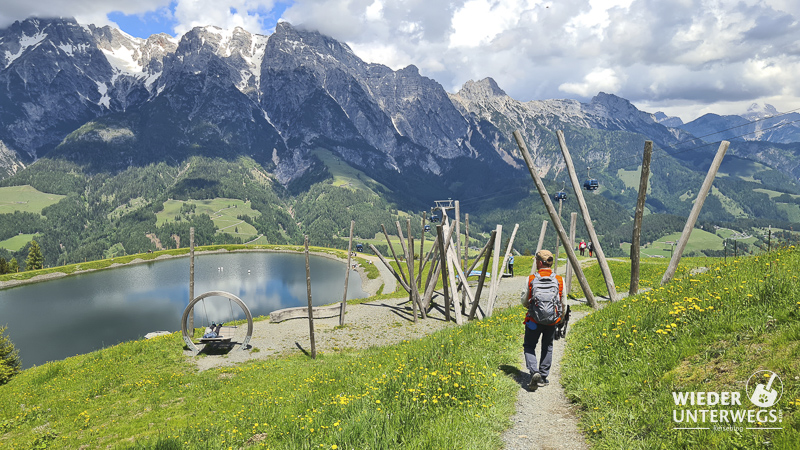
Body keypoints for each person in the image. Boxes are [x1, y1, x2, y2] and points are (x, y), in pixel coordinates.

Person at [520, 249, 565, 391]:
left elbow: (524, 300)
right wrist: (560, 318)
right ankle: (544, 377)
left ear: (539, 262)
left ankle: (535, 372)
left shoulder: (531, 279)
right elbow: (563, 301)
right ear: (550, 263)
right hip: (551, 321)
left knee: (529, 346)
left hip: (534, 320)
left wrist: (531, 306)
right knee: (548, 346)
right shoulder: (559, 279)